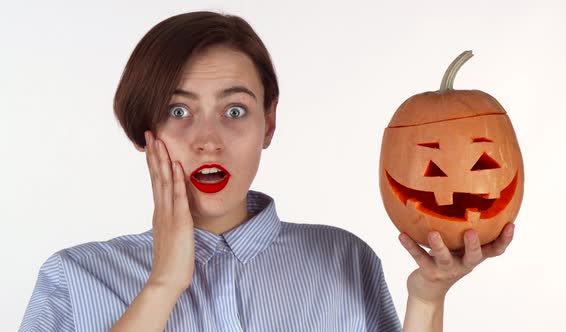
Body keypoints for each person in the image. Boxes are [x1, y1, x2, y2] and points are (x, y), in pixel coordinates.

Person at [19, 11, 514, 332]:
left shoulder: (345, 260)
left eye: (234, 111)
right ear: (143, 129)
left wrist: (426, 298)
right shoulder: (73, 279)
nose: (207, 139)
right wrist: (163, 284)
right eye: (177, 110)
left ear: (269, 124)